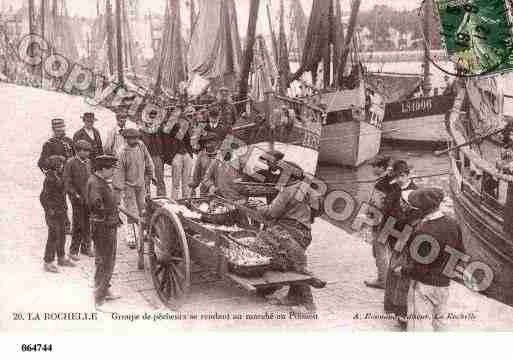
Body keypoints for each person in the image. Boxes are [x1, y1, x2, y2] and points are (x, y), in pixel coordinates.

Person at [394, 188, 464, 331]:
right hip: (444, 284)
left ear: (421, 210)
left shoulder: (422, 231)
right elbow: (460, 254)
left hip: (423, 286)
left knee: (419, 326)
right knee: (440, 323)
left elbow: (419, 269)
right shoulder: (453, 224)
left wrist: (402, 270)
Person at [255, 161, 319, 311]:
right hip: (305, 233)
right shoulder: (306, 188)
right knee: (293, 260)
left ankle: (308, 305)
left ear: (289, 175)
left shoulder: (287, 190)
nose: (279, 176)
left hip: (291, 233)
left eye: (281, 173)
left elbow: (272, 212)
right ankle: (293, 296)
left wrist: (258, 207)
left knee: (260, 244)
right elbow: (317, 208)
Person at [382, 160, 420, 330]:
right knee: (393, 272)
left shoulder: (417, 193)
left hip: (407, 238)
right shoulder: (394, 189)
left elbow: (416, 220)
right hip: (394, 237)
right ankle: (394, 307)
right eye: (397, 176)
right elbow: (387, 213)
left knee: (402, 275)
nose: (400, 179)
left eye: (403, 176)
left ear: (408, 175)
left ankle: (403, 313)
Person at [86, 155, 122, 310]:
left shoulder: (99, 181)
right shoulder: (95, 183)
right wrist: (110, 213)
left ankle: (104, 290)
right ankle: (99, 299)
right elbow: (96, 204)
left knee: (104, 260)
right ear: (103, 168)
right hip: (104, 228)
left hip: (106, 225)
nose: (113, 172)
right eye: (112, 169)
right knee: (105, 262)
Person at [113, 128, 155, 249]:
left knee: (143, 208)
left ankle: (144, 231)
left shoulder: (141, 146)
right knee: (131, 212)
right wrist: (118, 191)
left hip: (141, 183)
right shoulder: (122, 152)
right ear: (127, 139)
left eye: (137, 138)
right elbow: (119, 173)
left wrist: (151, 175)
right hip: (128, 186)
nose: (135, 140)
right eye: (132, 138)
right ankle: (131, 235)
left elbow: (148, 161)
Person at [38, 118, 75, 234]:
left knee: (76, 201)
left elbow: (75, 156)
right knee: (61, 203)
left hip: (71, 176)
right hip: (58, 178)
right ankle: (65, 225)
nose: (60, 130)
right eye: (57, 128)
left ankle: (76, 225)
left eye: (62, 128)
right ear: (53, 129)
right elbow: (41, 163)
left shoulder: (69, 141)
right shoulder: (49, 144)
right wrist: (55, 163)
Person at [40, 155, 76, 273]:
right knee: (53, 235)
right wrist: (50, 210)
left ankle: (61, 258)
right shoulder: (49, 179)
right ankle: (48, 262)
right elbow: (43, 197)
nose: (62, 166)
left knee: (62, 234)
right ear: (55, 166)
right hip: (53, 213)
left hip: (61, 211)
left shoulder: (58, 176)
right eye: (60, 165)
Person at [364, 156, 394, 290]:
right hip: (391, 221)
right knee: (387, 250)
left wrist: (368, 217)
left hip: (380, 221)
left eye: (374, 166)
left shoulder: (381, 184)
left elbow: (376, 204)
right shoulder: (392, 180)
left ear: (381, 167)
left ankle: (383, 280)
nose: (372, 169)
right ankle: (387, 278)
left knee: (379, 251)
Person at [63, 140, 94, 260]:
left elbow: (90, 178)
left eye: (88, 151)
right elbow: (67, 181)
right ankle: (73, 250)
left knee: (87, 224)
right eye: (85, 151)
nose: (87, 153)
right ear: (78, 151)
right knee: (78, 224)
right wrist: (74, 194)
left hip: (87, 198)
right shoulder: (70, 163)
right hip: (76, 199)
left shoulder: (88, 162)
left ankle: (86, 248)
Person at [162, 111, 194, 200]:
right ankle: (174, 201)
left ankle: (186, 201)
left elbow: (191, 140)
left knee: (186, 182)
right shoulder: (173, 126)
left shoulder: (189, 126)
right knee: (175, 182)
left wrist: (190, 154)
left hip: (187, 154)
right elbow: (167, 135)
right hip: (177, 154)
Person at [139, 111, 166, 196]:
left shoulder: (159, 130)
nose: (152, 119)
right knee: (146, 179)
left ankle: (162, 197)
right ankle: (147, 198)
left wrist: (163, 156)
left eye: (154, 117)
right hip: (145, 157)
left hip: (157, 156)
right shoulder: (141, 131)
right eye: (150, 117)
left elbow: (164, 143)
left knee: (160, 178)